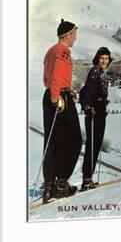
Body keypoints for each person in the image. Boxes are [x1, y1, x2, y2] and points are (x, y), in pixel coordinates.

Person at [41, 19, 82, 203]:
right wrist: (58, 96)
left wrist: (60, 91)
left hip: (51, 94)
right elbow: (57, 74)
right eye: (74, 34)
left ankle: (49, 185)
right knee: (74, 140)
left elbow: (46, 78)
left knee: (53, 140)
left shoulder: (51, 51)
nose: (76, 37)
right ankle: (61, 183)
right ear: (67, 35)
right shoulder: (63, 51)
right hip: (58, 98)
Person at [79, 47, 113, 191]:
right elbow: (85, 90)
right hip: (94, 111)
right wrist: (87, 106)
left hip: (100, 110)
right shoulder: (95, 71)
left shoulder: (102, 73)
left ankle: (88, 178)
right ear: (97, 59)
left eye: (106, 58)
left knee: (96, 144)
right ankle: (87, 179)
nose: (104, 61)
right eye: (102, 58)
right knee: (93, 145)